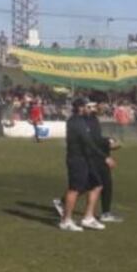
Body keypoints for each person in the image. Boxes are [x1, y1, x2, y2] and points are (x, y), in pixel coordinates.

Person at [54, 98, 115, 232]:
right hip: (77, 159)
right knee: (74, 189)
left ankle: (88, 218)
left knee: (97, 185)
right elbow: (88, 142)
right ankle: (66, 221)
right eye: (89, 106)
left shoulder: (83, 120)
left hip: (86, 159)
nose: (92, 108)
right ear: (81, 107)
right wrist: (105, 157)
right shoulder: (75, 121)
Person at [84, 101, 123, 223]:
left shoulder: (92, 119)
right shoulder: (90, 119)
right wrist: (109, 143)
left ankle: (105, 212)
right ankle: (105, 213)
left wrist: (107, 140)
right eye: (103, 104)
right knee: (100, 183)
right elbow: (93, 140)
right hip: (97, 155)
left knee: (99, 183)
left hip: (97, 154)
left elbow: (95, 138)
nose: (106, 106)